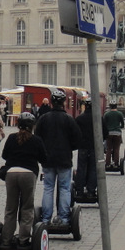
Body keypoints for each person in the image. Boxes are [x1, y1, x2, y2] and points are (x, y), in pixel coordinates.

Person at [34, 88, 82, 225]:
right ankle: (64, 218)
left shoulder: (43, 119)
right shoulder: (69, 119)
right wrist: (68, 148)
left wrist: (43, 152)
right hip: (64, 159)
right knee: (65, 188)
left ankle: (46, 219)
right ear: (64, 103)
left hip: (48, 159)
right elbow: (78, 140)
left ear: (50, 102)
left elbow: (37, 138)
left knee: (48, 188)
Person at [1, 112, 47, 248]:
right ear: (32, 126)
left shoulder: (11, 137)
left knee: (10, 208)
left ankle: (6, 240)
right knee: (27, 207)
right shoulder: (36, 140)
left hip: (11, 173)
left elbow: (4, 155)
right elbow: (44, 159)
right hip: (28, 174)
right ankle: (23, 239)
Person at [74, 97, 97, 199]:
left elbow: (74, 133)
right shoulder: (98, 119)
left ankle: (79, 191)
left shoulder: (79, 119)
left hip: (82, 147)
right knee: (93, 169)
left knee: (81, 168)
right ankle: (91, 191)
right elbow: (105, 132)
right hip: (94, 147)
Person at [103, 101, 125, 168]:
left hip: (109, 133)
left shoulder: (107, 114)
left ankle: (107, 163)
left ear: (110, 106)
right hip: (117, 133)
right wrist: (119, 127)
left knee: (109, 149)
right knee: (116, 149)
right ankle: (116, 163)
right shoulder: (119, 114)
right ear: (116, 106)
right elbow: (123, 124)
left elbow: (104, 124)